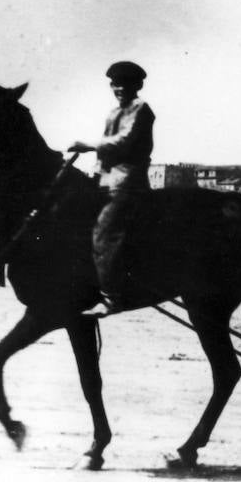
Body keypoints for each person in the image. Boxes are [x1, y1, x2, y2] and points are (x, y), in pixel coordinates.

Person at [69, 61, 155, 317]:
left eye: (125, 84)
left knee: (103, 233)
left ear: (137, 86)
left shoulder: (141, 109)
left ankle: (111, 297)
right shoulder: (113, 112)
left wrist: (90, 146)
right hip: (105, 180)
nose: (119, 88)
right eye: (115, 84)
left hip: (126, 182)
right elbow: (106, 153)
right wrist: (93, 173)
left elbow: (125, 141)